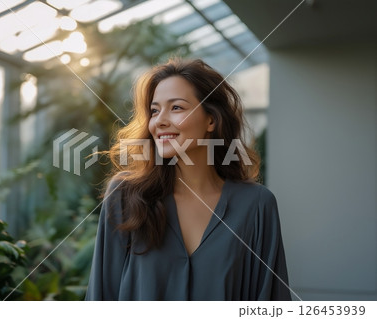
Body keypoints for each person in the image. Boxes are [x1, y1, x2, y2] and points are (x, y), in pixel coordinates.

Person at [85, 58, 292, 301]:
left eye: (176, 108)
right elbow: (101, 297)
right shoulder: (125, 195)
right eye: (154, 110)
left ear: (211, 120)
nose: (160, 121)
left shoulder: (257, 205)